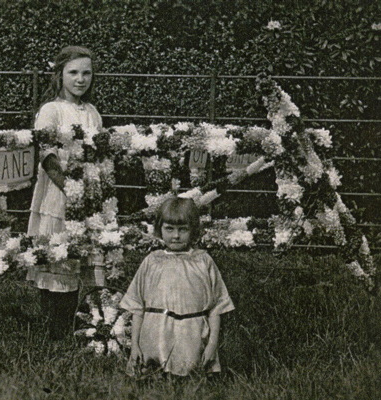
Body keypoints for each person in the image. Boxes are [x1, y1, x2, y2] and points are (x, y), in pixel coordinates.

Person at [27, 46, 102, 338]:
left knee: (82, 258)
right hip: (59, 193)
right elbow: (47, 156)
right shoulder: (51, 110)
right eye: (73, 73)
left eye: (86, 73)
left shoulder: (93, 112)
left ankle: (81, 323)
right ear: (60, 75)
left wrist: (93, 187)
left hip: (89, 190)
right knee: (58, 257)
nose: (80, 79)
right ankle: (54, 331)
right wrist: (71, 187)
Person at [119, 197, 234, 377]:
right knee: (153, 384)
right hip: (154, 338)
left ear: (193, 230)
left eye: (183, 229)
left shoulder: (203, 261)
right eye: (169, 229)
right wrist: (134, 346)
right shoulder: (152, 261)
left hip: (192, 338)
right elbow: (137, 308)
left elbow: (216, 308)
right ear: (160, 229)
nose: (176, 236)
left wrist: (212, 345)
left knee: (192, 383)